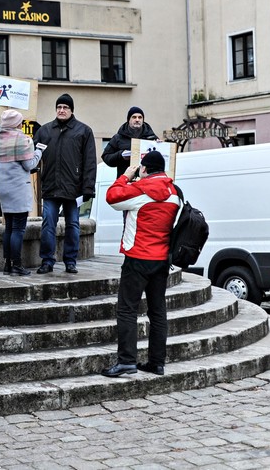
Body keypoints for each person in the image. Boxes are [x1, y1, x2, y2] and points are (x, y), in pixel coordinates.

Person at [101, 150, 180, 377]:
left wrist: (125, 175)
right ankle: (157, 362)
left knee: (127, 310)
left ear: (144, 169)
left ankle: (127, 361)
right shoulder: (175, 193)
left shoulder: (140, 190)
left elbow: (112, 197)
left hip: (138, 257)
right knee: (157, 312)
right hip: (162, 259)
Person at [34, 93, 96, 275]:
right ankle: (47, 260)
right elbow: (31, 156)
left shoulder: (84, 131)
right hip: (51, 187)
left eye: (65, 107)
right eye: (59, 107)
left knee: (73, 226)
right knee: (47, 224)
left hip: (74, 189)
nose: (61, 110)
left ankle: (70, 261)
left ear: (71, 110)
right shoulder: (44, 131)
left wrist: (88, 189)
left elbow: (90, 162)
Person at [0, 110, 44, 276]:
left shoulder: (0, 140)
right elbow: (29, 165)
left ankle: (7, 264)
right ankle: (17, 264)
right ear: (16, 123)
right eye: (20, 122)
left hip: (4, 189)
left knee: (8, 228)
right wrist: (39, 152)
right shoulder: (23, 139)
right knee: (18, 229)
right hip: (18, 189)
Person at [101, 106, 159, 178]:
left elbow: (161, 162)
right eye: (134, 117)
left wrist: (161, 146)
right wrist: (121, 155)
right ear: (129, 119)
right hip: (126, 182)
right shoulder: (118, 138)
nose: (137, 120)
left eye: (140, 117)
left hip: (147, 182)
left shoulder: (152, 138)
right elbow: (106, 157)